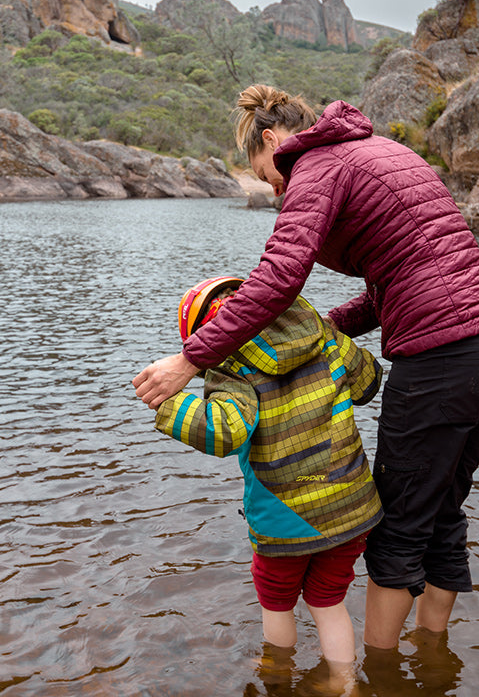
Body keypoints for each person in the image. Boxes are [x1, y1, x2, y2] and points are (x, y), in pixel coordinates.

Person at [133, 85, 479, 650]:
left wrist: (192, 359)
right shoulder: (380, 151)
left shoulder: (314, 164)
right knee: (441, 512)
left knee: (399, 528)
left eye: (267, 176)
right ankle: (433, 658)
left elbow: (280, 275)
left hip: (442, 356)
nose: (274, 188)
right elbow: (388, 288)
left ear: (272, 141)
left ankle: (382, 675)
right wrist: (320, 333)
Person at [154, 275, 383, 681]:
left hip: (285, 519)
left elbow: (226, 431)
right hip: (351, 505)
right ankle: (345, 684)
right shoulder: (321, 334)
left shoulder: (231, 368)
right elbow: (367, 382)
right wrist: (337, 345)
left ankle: (278, 679)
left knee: (277, 603)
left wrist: (171, 405)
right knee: (328, 602)